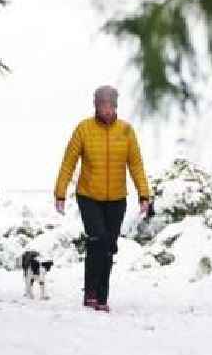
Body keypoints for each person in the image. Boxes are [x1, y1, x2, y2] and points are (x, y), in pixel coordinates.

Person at [54, 85, 150, 312]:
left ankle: (102, 296)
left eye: (110, 105)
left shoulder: (126, 131)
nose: (106, 110)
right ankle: (90, 293)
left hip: (117, 198)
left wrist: (144, 195)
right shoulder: (84, 129)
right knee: (97, 238)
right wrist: (60, 192)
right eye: (102, 105)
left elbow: (136, 164)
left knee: (108, 245)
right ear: (96, 106)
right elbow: (69, 161)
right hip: (89, 195)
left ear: (116, 106)